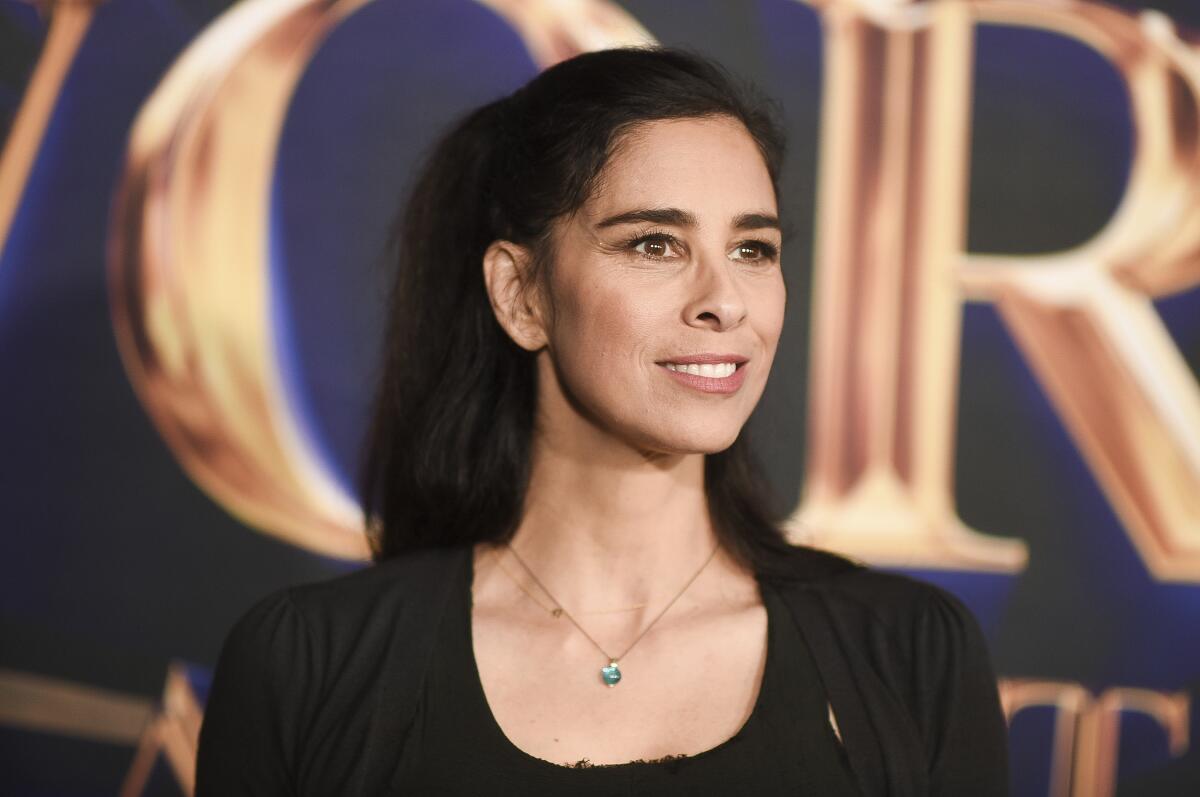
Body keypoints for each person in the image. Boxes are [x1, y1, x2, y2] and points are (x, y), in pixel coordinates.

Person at [194, 46, 1009, 795]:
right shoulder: (307, 664)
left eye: (753, 249)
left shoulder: (909, 656)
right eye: (655, 244)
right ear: (522, 293)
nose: (725, 301)